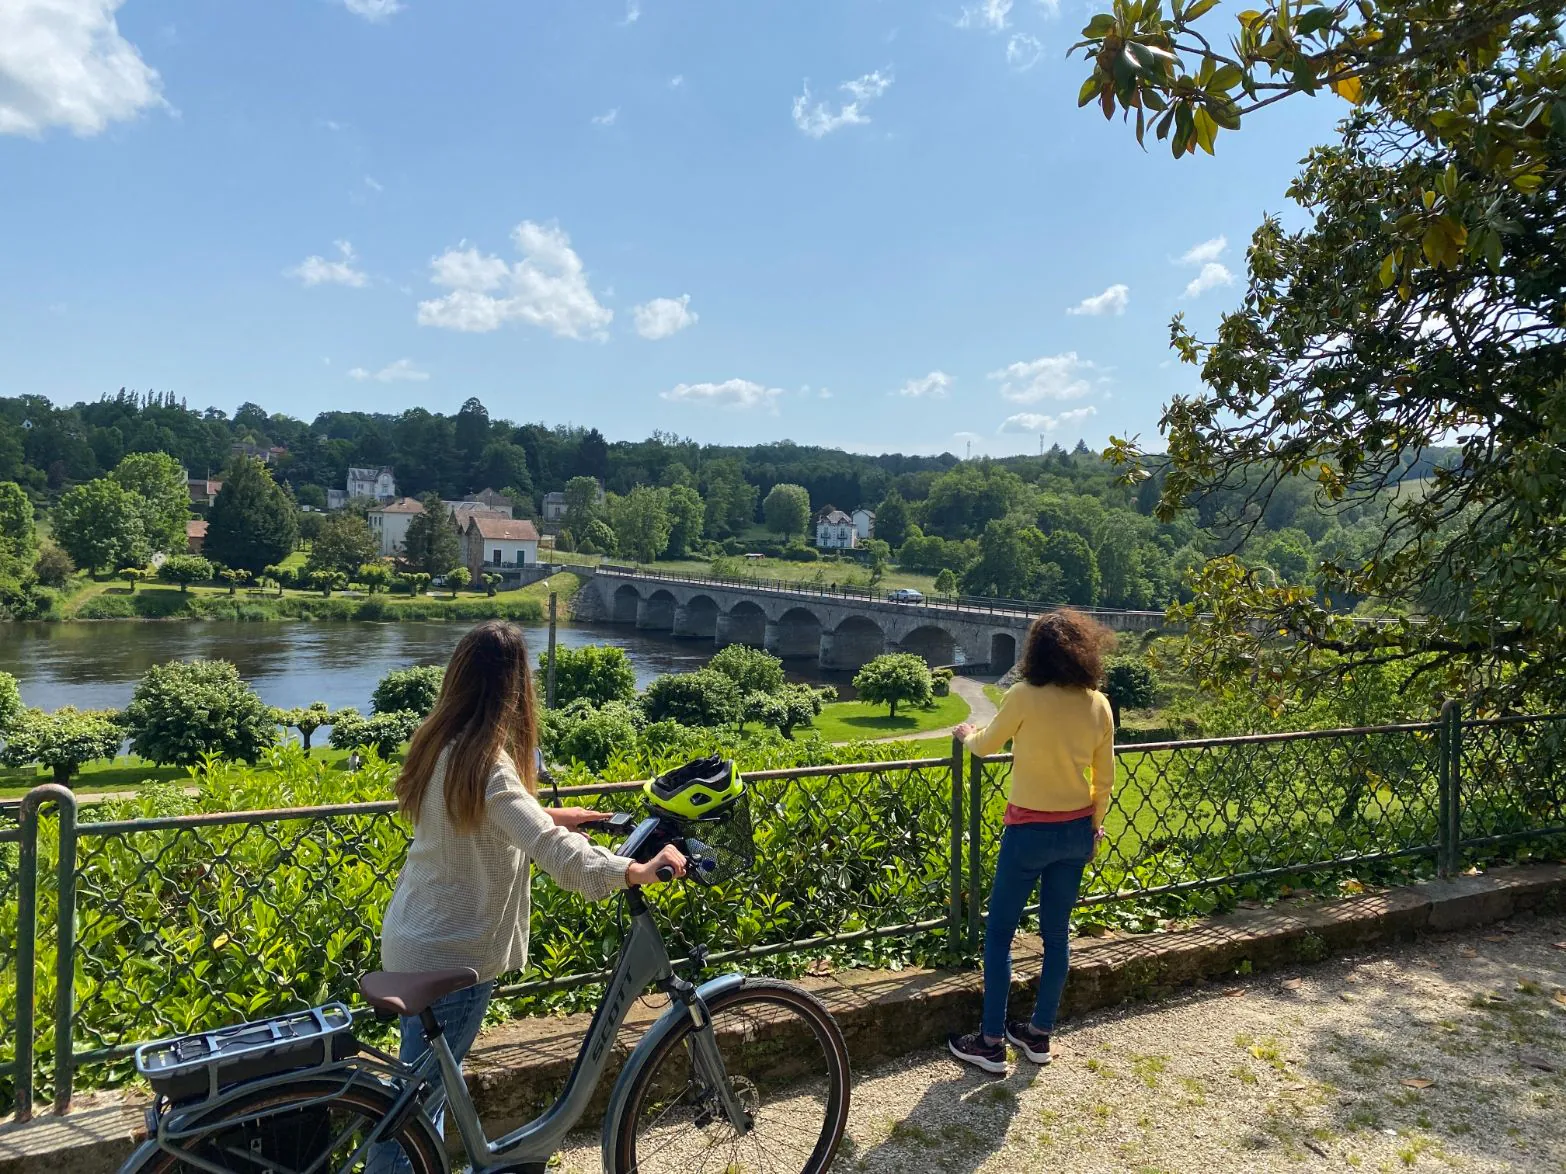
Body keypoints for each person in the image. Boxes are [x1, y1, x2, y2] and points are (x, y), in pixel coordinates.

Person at [375, 620, 685, 1153]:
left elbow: (483, 819)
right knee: (416, 1116)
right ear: (514, 686)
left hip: (416, 934)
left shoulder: (441, 743)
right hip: (454, 951)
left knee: (423, 1100)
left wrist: (555, 816)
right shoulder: (487, 763)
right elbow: (545, 848)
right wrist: (628, 870)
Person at [947, 609, 1115, 1073]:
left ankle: (990, 1042)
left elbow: (986, 745)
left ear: (1036, 651)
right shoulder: (1097, 703)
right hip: (1077, 828)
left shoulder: (1024, 696)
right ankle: (1038, 1035)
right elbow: (1105, 778)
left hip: (1028, 831)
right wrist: (1095, 825)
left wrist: (966, 734)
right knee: (1056, 934)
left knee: (999, 934)